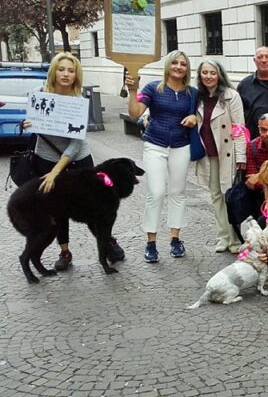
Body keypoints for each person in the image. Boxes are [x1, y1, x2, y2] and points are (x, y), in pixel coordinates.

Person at [20, 52, 124, 271]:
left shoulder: (78, 101)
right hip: (46, 158)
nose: (66, 74)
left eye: (71, 70)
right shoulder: (40, 95)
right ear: (53, 72)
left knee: (95, 206)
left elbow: (75, 144)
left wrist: (56, 173)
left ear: (76, 75)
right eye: (61, 69)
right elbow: (33, 124)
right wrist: (27, 123)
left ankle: (108, 243)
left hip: (78, 160)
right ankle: (64, 251)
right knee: (58, 208)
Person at [127, 50, 198, 262]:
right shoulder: (153, 88)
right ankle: (151, 242)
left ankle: (176, 239)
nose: (178, 67)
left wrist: (194, 116)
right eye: (174, 63)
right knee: (156, 192)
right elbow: (135, 113)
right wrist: (132, 91)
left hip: (181, 145)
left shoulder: (191, 93)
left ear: (187, 69)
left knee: (177, 192)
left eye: (183, 64)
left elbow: (200, 114)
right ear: (168, 65)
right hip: (155, 144)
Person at [194, 58, 247, 253]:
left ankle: (235, 239)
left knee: (229, 196)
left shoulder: (230, 96)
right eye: (205, 72)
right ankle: (222, 236)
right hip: (208, 154)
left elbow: (239, 127)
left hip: (227, 153)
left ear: (220, 75)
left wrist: (241, 156)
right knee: (215, 196)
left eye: (212, 73)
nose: (208, 76)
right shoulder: (196, 97)